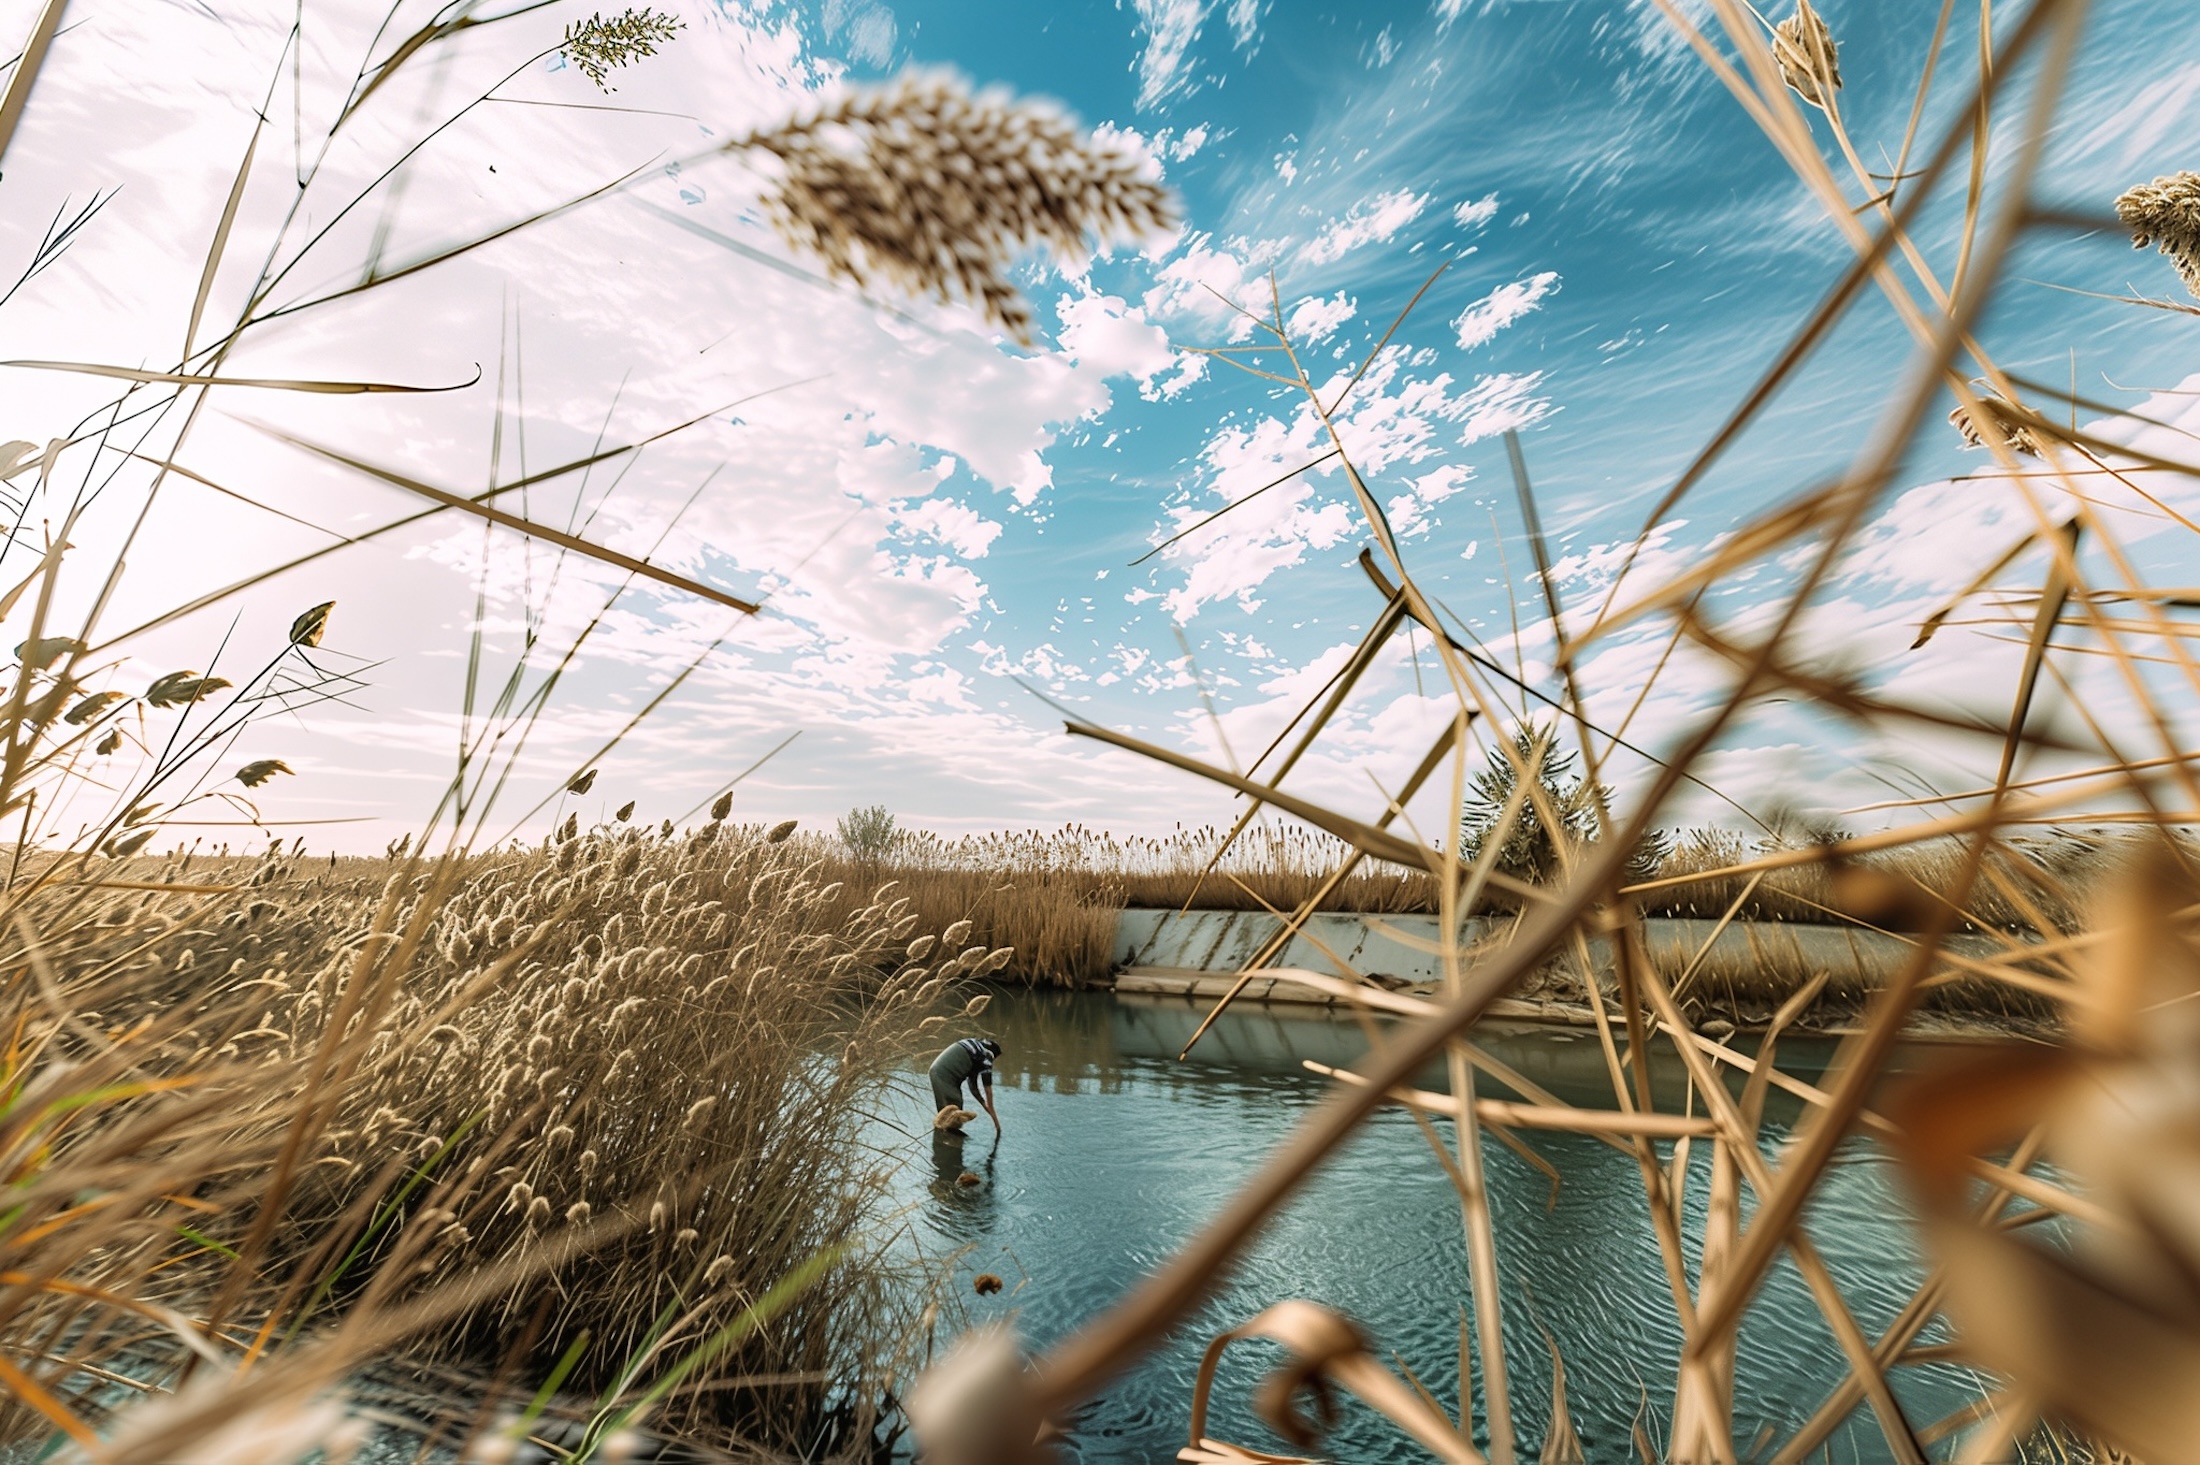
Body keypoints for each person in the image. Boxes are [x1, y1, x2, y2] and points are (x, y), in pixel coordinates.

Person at [928, 1036, 1001, 1134]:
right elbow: (988, 1090)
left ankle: (942, 1140)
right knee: (954, 1116)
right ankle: (950, 1144)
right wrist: (995, 1120)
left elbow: (973, 1086)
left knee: (944, 1116)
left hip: (936, 1072)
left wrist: (984, 1104)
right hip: (946, 1076)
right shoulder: (988, 1055)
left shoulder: (976, 1048)